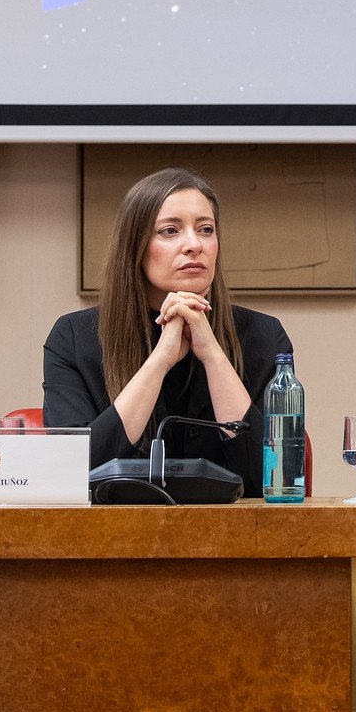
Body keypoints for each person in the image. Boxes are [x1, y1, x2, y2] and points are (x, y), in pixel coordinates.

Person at [43, 167, 293, 495]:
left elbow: (276, 480)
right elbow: (72, 473)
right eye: (170, 231)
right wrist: (160, 360)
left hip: (236, 540)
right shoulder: (73, 337)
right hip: (111, 539)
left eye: (206, 229)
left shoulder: (263, 335)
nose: (194, 244)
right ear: (135, 247)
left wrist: (213, 355)